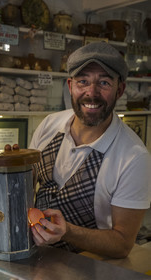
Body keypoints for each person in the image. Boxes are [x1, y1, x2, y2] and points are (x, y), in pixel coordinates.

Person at [29, 41, 151, 259]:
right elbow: (28, 185)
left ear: (119, 89)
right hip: (36, 260)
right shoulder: (49, 125)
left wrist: (67, 231)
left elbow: (123, 244)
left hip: (91, 268)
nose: (91, 93)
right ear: (70, 86)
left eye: (104, 83)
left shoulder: (134, 157)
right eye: (82, 81)